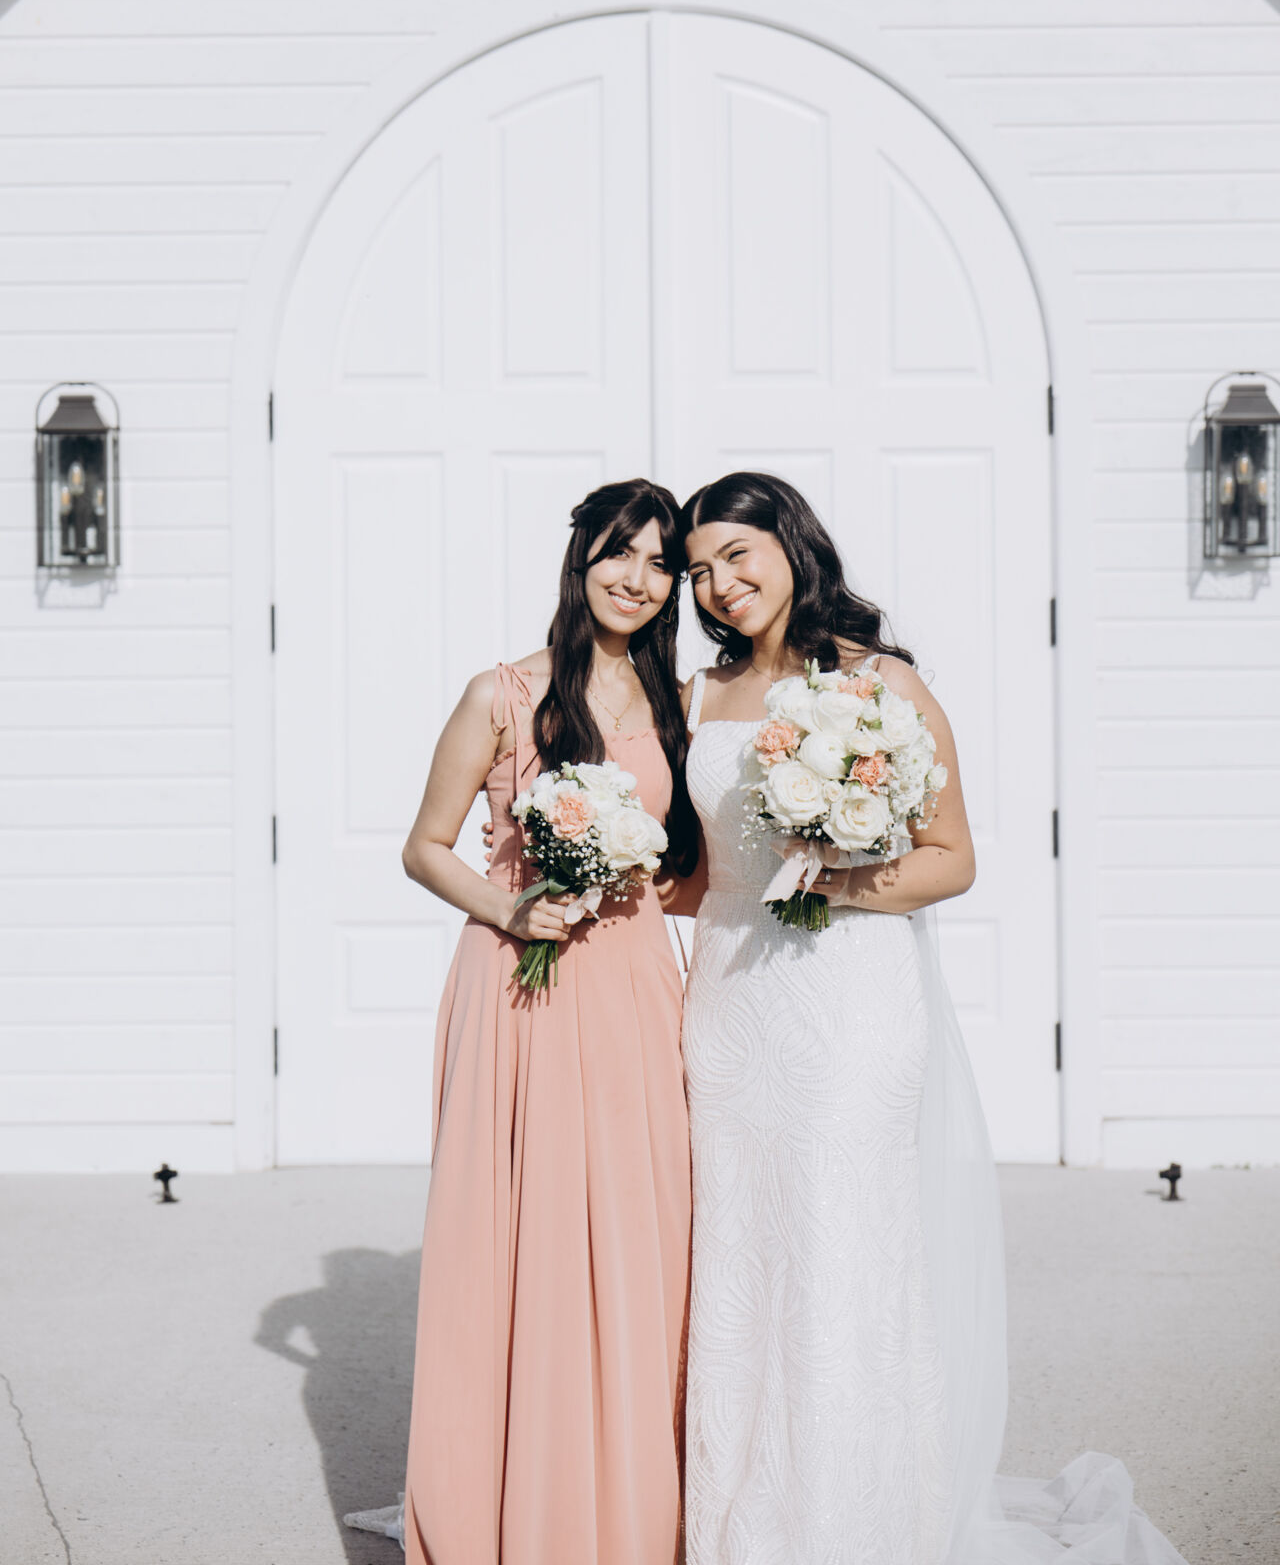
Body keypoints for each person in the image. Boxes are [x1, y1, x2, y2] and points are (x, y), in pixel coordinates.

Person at [678, 470, 1189, 1565]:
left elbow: (950, 859)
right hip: (728, 1001)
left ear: (789, 543)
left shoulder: (879, 683)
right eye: (699, 570)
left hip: (850, 999)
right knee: (735, 1244)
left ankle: (850, 1520)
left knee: (839, 1245)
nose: (718, 585)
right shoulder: (696, 697)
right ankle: (735, 1508)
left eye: (735, 555)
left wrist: (831, 878)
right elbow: (699, 870)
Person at [390, 477, 700, 1565]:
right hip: (520, 981)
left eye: (660, 563)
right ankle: (505, 1508)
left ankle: (623, 1506)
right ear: (582, 560)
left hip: (630, 985)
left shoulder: (677, 705)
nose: (638, 579)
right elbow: (425, 847)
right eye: (620, 552)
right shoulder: (502, 693)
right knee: (518, 1235)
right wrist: (510, 906)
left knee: (640, 1231)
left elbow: (687, 871)